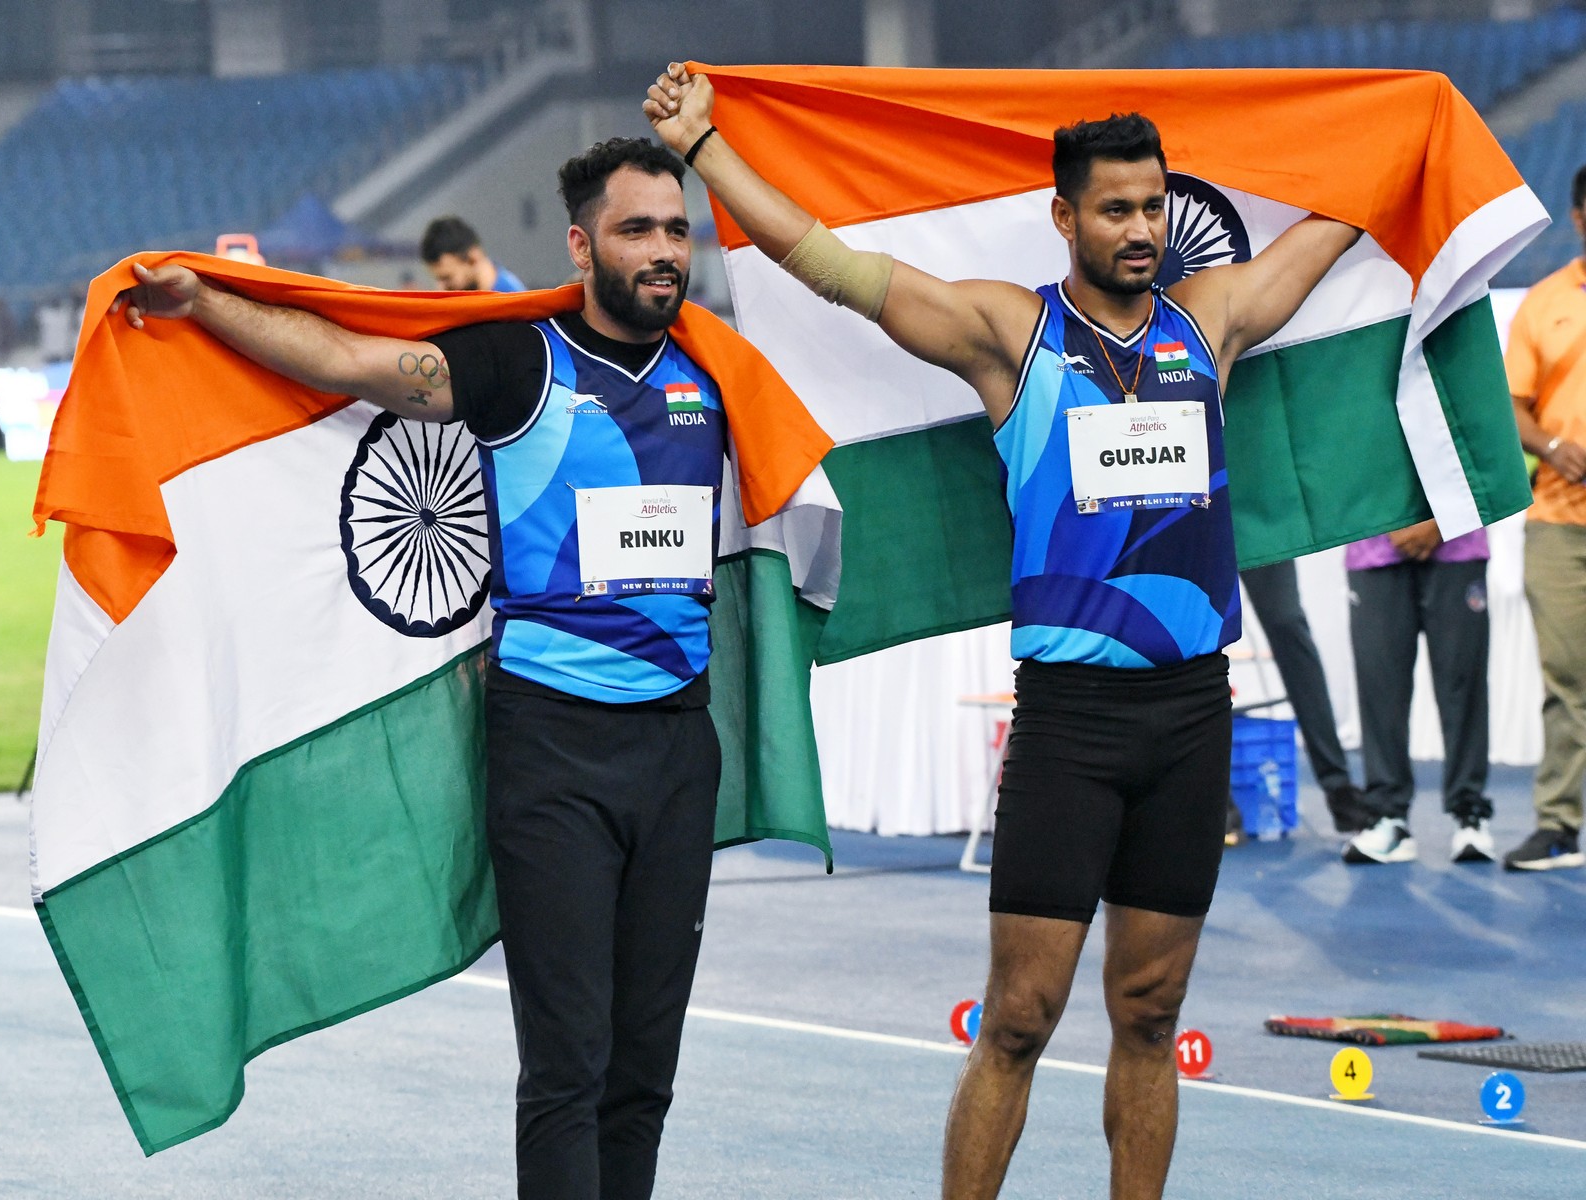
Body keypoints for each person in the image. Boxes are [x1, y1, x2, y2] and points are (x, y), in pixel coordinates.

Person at [645, 67, 1359, 1200]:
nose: (1140, 228)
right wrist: (706, 152)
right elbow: (835, 269)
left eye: (1153, 205)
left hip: (1189, 713)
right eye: (1115, 209)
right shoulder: (1009, 333)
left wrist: (1418, 127)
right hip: (1070, 723)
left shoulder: (1206, 320)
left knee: (1151, 1011)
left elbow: (1340, 216)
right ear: (1064, 215)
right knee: (1019, 1017)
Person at [115, 137, 726, 1199]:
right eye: (637, 229)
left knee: (645, 1073)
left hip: (680, 747)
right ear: (582, 246)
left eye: (677, 228)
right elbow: (350, 361)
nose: (664, 251)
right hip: (556, 752)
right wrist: (205, 304)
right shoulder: (516, 361)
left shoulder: (723, 371)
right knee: (569, 1065)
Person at [1501, 164, 1586, 872]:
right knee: (1568, 677)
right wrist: (1555, 446)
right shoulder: (1543, 302)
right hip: (1560, 525)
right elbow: (1514, 408)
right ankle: (1559, 823)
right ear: (1580, 219)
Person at [1339, 520, 1495, 864]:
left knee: (1463, 684)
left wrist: (1438, 523)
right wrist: (1391, 523)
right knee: (1380, 689)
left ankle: (1470, 813)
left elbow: (1479, 465)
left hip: (1458, 541)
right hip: (1374, 546)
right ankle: (1387, 815)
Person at [1239, 560, 1367, 832]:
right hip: (1192, 522)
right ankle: (1212, 796)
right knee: (1197, 633)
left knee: (1287, 624)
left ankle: (1338, 785)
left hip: (1258, 521)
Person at [420, 214, 526, 291]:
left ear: (472, 259)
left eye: (447, 278)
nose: (440, 288)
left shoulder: (517, 309)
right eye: (438, 280)